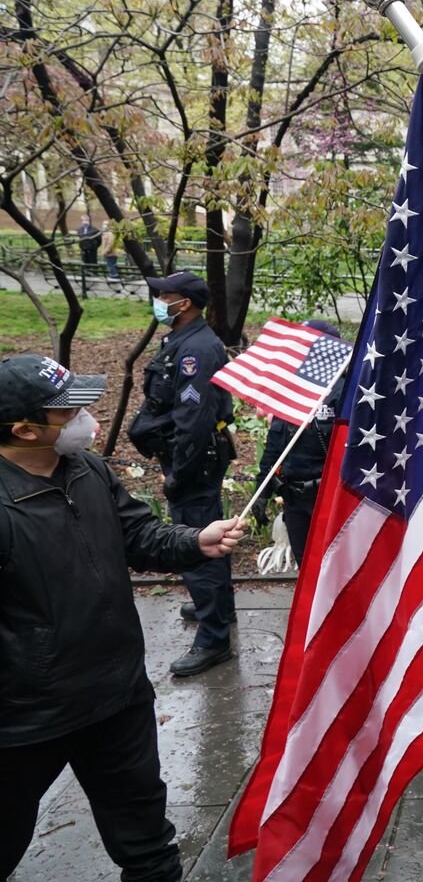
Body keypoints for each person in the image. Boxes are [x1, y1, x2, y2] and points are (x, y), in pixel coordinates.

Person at [0, 354, 245, 882]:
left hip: (117, 695)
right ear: (24, 429)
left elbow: (138, 535)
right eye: (69, 411)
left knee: (150, 847)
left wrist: (193, 540)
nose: (88, 418)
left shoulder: (88, 469)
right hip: (26, 720)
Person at [127, 271, 237, 677]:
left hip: (193, 459)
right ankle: (218, 608)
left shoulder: (199, 350)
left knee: (198, 542)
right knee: (207, 534)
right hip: (185, 455)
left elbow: (193, 420)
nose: (158, 301)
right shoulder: (180, 339)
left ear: (184, 303)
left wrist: (179, 476)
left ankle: (213, 639)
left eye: (163, 296)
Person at [252, 320, 346, 564]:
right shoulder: (291, 389)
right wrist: (261, 491)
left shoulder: (344, 392)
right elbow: (275, 447)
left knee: (331, 566)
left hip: (329, 497)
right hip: (294, 499)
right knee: (305, 564)